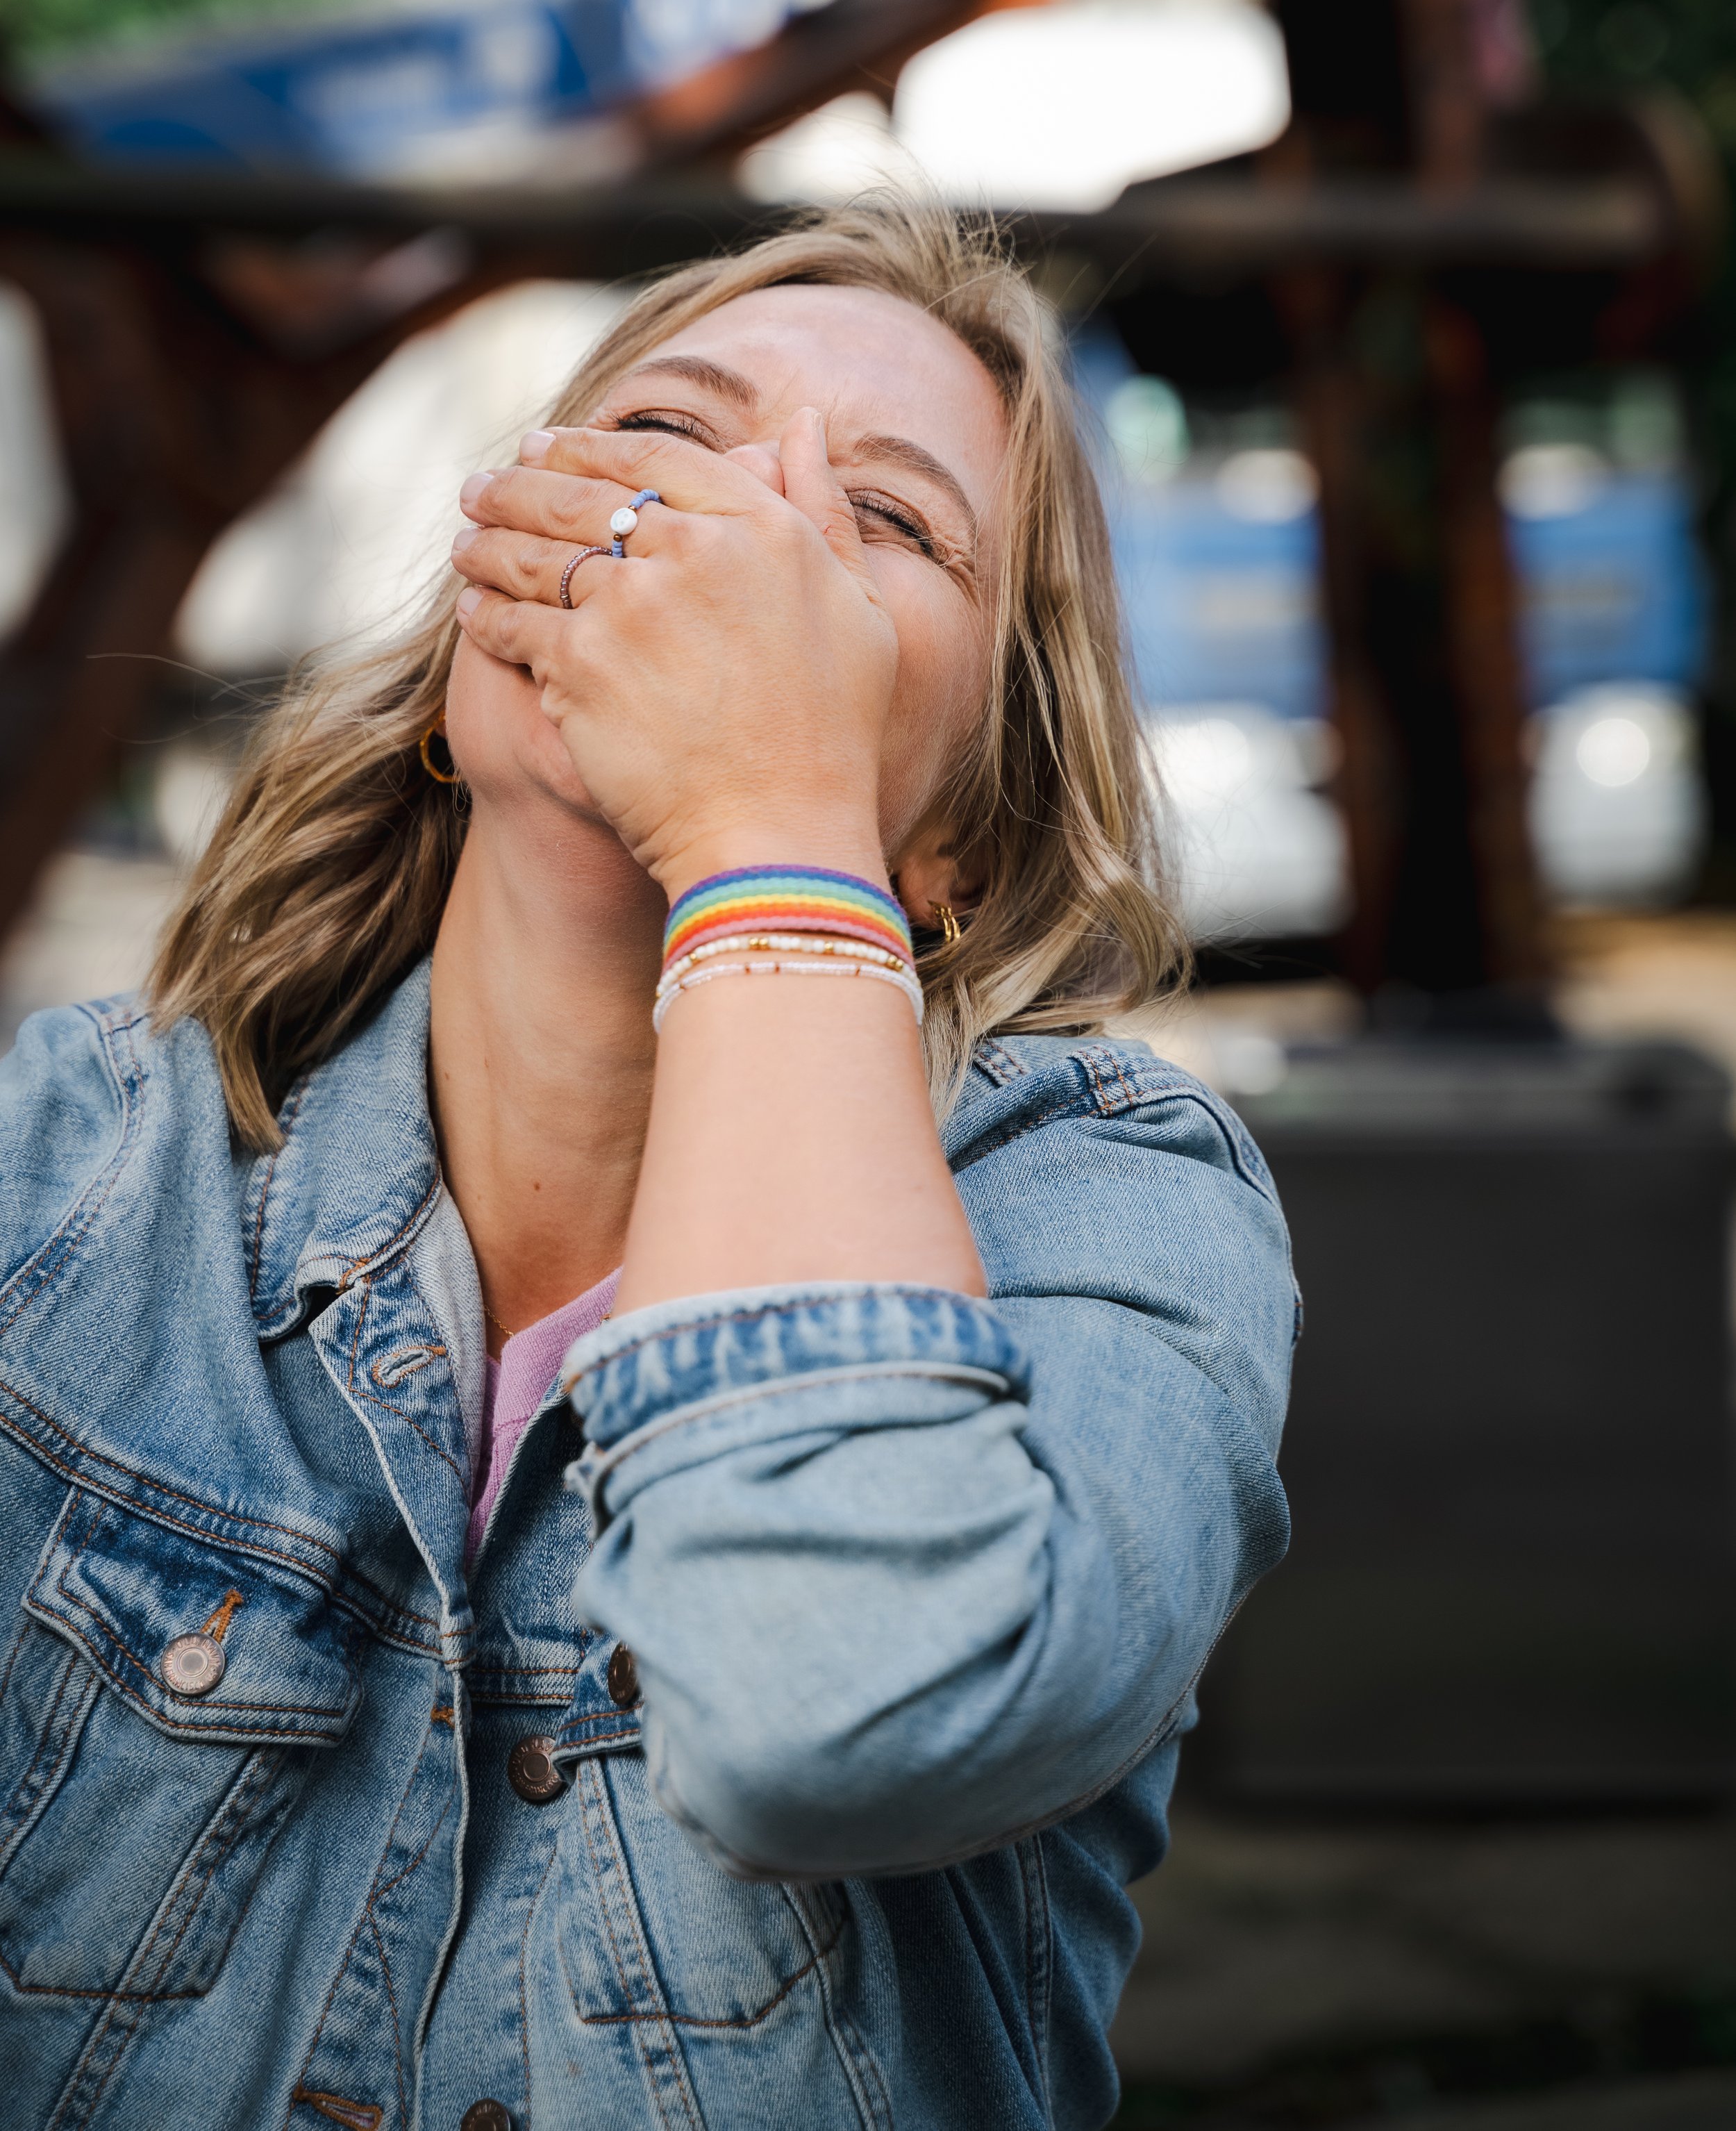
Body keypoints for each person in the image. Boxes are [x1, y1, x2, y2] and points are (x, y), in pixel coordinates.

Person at [0, 202, 1294, 2131]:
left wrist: (771, 821)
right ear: (480, 615)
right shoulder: (78, 1154)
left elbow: (833, 1711)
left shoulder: (1120, 1216)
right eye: (672, 439)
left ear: (952, 842)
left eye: (887, 522)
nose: (738, 543)